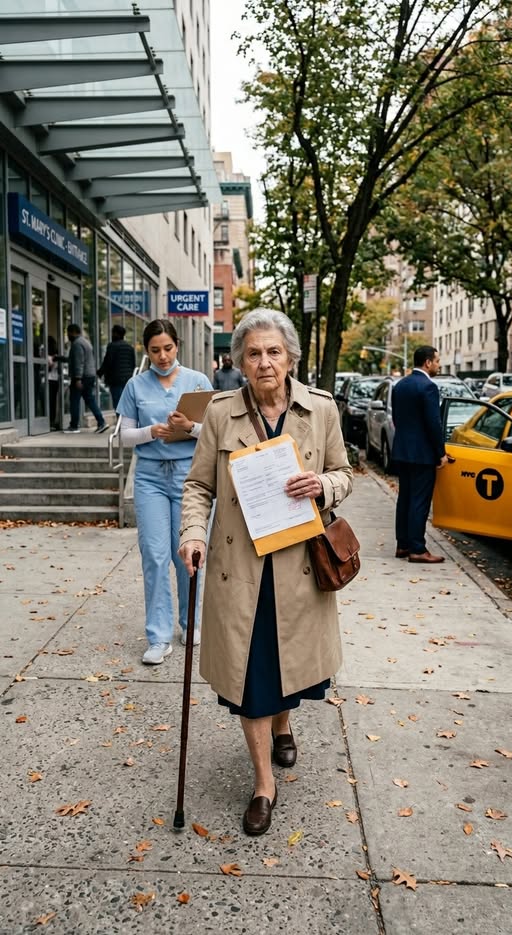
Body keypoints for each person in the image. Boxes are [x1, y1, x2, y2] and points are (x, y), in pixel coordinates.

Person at [178, 309, 353, 836]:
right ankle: (262, 784)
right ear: (240, 362)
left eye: (273, 352)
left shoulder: (320, 410)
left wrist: (323, 485)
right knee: (252, 677)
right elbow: (198, 486)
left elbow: (345, 472)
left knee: (288, 666)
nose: (264, 362)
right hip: (241, 571)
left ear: (291, 357)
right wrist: (192, 533)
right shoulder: (219, 413)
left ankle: (284, 722)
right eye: (252, 353)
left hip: (299, 572)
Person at [117, 319, 213, 665]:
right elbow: (124, 436)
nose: (162, 356)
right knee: (155, 556)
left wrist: (189, 427)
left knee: (187, 555)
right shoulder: (135, 386)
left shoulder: (198, 382)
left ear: (177, 346)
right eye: (155, 350)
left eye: (168, 348)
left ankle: (190, 623)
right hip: (150, 478)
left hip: (190, 477)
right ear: (147, 350)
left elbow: (215, 432)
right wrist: (151, 431)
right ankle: (158, 636)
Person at [391, 345, 448, 563]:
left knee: (404, 498)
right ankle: (417, 549)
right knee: (419, 501)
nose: (438, 365)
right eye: (437, 361)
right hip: (422, 454)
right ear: (427, 362)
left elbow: (397, 419)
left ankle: (402, 545)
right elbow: (433, 423)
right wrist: (440, 452)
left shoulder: (400, 385)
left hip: (402, 451)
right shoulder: (428, 387)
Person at [65, 324, 108, 434]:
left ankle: (74, 425)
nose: (68, 335)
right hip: (89, 375)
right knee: (89, 399)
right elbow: (76, 359)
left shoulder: (77, 344)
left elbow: (79, 362)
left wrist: (78, 378)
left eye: (68, 333)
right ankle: (101, 421)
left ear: (73, 332)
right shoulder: (85, 342)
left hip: (82, 377)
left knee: (74, 400)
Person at [97, 324, 136, 410]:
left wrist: (99, 372)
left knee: (118, 403)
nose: (111, 335)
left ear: (116, 334)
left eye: (113, 333)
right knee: (127, 403)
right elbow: (133, 364)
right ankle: (126, 422)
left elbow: (107, 362)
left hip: (115, 380)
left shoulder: (112, 346)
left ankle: (121, 422)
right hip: (127, 380)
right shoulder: (130, 348)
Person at [47, 335, 59, 431]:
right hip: (55, 380)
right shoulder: (56, 355)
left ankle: (50, 422)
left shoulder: (50, 356)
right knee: (52, 402)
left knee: (49, 402)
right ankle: (52, 421)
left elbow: (48, 368)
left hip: (49, 380)